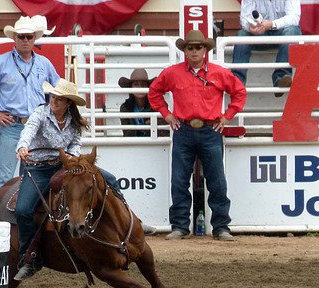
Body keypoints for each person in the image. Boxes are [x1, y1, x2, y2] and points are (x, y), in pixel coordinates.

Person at [14, 79, 126, 280]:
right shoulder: (40, 114)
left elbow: (75, 143)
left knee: (110, 179)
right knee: (23, 210)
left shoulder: (73, 121)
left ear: (68, 104)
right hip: (39, 168)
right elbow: (28, 132)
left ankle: (127, 222)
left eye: (59, 99)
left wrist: (73, 160)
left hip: (65, 166)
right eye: (53, 97)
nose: (54, 101)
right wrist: (22, 147)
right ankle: (28, 256)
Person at [148, 30, 246, 242]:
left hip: (210, 129)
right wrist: (167, 115)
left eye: (198, 47)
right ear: (185, 51)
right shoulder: (172, 73)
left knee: (217, 181)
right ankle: (180, 226)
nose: (194, 51)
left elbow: (239, 92)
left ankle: (221, 227)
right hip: (183, 129)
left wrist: (227, 117)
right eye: (190, 48)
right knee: (179, 180)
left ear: (205, 50)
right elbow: (154, 92)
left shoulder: (219, 73)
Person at [0, 16, 60, 192]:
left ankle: (22, 217)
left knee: (30, 176)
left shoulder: (44, 63)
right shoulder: (0, 63)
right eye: (22, 36)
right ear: (14, 38)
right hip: (12, 125)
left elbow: (58, 88)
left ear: (35, 38)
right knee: (5, 177)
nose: (26, 40)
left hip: (35, 126)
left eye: (29, 37)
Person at [232, 0, 302, 97]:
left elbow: (294, 18)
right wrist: (250, 27)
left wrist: (272, 24)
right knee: (242, 34)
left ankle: (280, 79)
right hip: (260, 33)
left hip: (282, 32)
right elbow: (245, 18)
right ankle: (236, 83)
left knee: (292, 30)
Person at [118, 69, 155, 137]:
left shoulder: (156, 105)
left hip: (153, 143)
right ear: (131, 88)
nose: (140, 88)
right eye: (136, 84)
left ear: (148, 87)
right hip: (133, 144)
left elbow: (163, 132)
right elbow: (127, 134)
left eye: (143, 85)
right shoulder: (125, 107)